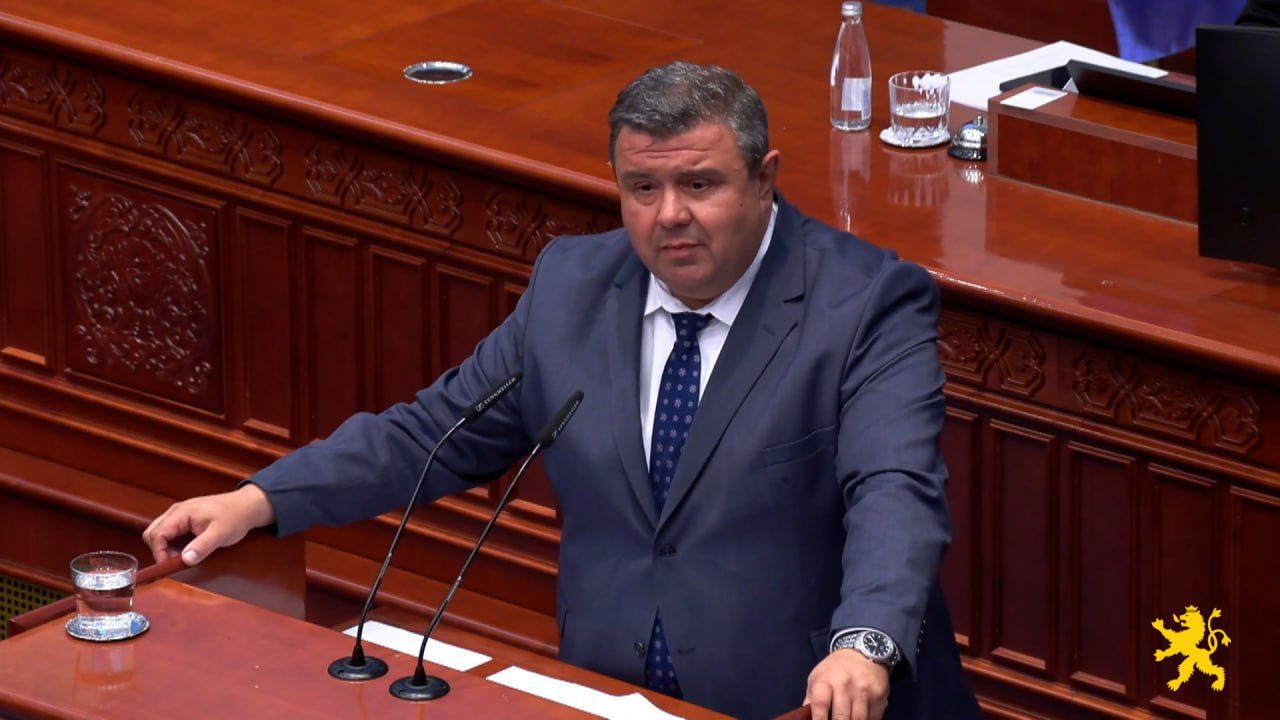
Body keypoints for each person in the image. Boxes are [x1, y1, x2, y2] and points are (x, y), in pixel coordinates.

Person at [145, 62, 978, 720]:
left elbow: (895, 489)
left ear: (765, 178)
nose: (669, 215)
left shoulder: (865, 302)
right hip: (612, 694)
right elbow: (434, 432)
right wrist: (261, 499)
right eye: (642, 189)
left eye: (700, 185)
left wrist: (865, 641)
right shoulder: (572, 286)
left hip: (800, 699)